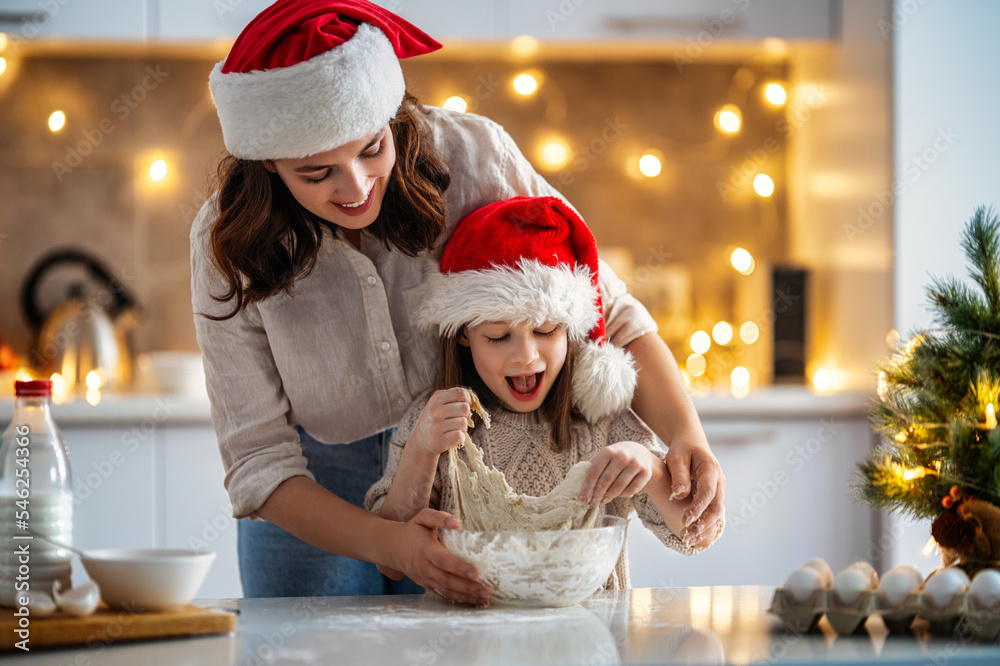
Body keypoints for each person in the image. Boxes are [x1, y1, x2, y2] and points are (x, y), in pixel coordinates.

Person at [191, 0, 724, 604]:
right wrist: (390, 544)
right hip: (316, 487)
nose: (357, 187)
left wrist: (686, 435)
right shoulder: (227, 241)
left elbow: (610, 309)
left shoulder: (471, 156)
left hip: (475, 464)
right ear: (267, 165)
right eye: (316, 174)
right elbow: (259, 460)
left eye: (372, 149)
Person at [366, 196, 723, 594]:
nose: (525, 356)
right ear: (464, 334)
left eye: (545, 331)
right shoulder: (433, 421)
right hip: (471, 647)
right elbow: (390, 562)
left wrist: (653, 471)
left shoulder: (603, 421)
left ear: (570, 330)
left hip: (588, 644)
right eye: (498, 336)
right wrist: (421, 448)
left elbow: (697, 536)